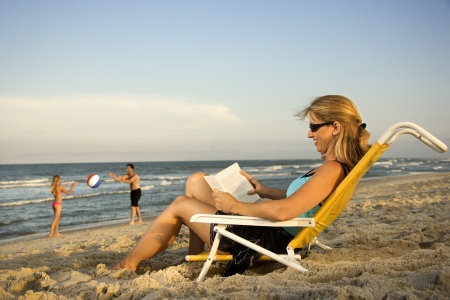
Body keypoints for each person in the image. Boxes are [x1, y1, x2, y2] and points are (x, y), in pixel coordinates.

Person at [111, 95, 371, 276]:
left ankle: (129, 263)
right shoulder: (331, 168)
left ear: (335, 127)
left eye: (314, 126)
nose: (309, 133)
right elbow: (307, 200)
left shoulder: (332, 168)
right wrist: (265, 191)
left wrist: (235, 205)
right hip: (271, 228)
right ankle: (197, 255)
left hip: (266, 237)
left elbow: (285, 212)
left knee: (180, 204)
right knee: (196, 180)